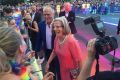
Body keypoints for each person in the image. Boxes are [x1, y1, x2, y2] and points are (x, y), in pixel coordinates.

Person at [35, 5, 61, 80]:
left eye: (48, 14)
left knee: (59, 70)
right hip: (48, 51)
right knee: (51, 70)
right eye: (45, 14)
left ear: (53, 13)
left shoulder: (58, 24)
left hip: (59, 52)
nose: (46, 16)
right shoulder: (41, 24)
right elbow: (39, 39)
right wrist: (36, 51)